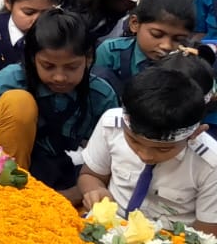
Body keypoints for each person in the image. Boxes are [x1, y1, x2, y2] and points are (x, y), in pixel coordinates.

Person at [0, 9, 118, 198]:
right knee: (18, 102)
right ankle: (10, 193)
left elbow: (107, 164)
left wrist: (60, 199)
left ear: (88, 59)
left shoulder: (102, 96)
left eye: (71, 67)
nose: (60, 77)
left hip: (64, 185)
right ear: (33, 59)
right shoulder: (12, 78)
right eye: (48, 66)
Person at [79, 62, 217, 231]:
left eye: (163, 149)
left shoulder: (211, 165)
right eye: (134, 141)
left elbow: (206, 233)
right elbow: (91, 175)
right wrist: (95, 190)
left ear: (195, 133)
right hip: (109, 227)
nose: (145, 155)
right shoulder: (111, 126)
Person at [93, 0, 197, 98]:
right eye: (156, 34)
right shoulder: (111, 52)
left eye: (178, 39)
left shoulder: (190, 61)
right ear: (135, 24)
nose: (166, 46)